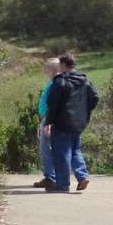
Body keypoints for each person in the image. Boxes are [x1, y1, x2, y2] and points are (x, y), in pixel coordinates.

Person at [43, 54, 98, 193]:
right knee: (75, 150)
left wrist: (48, 122)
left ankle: (62, 185)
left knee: (61, 153)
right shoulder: (85, 81)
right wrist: (85, 112)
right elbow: (95, 97)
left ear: (62, 65)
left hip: (62, 122)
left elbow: (52, 104)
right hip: (79, 123)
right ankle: (82, 176)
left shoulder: (60, 81)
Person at [32, 58, 62, 189]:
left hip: (50, 119)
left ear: (52, 70)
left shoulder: (55, 84)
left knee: (46, 148)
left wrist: (47, 122)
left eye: (47, 69)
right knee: (49, 148)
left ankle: (50, 177)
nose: (45, 72)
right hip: (49, 118)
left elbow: (52, 104)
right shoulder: (54, 83)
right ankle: (52, 176)